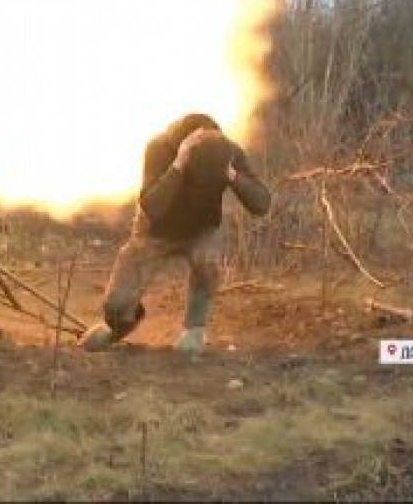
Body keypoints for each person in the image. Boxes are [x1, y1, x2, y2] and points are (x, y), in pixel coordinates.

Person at [79, 112, 271, 354]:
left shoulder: (227, 152)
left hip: (202, 228)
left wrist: (233, 176)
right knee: (117, 305)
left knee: (207, 266)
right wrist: (178, 166)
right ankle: (116, 327)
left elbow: (262, 204)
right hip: (155, 231)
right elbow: (152, 206)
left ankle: (194, 331)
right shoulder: (159, 148)